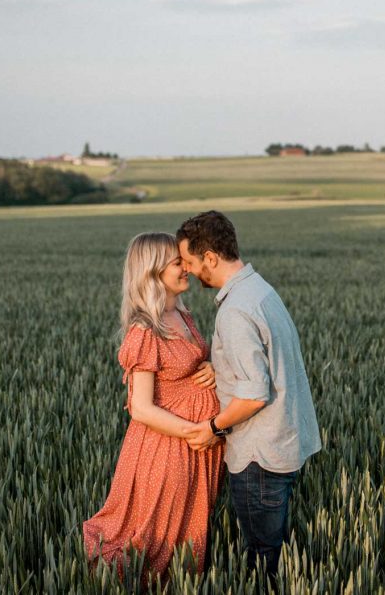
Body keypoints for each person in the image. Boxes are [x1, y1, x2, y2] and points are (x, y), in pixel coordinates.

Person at [176, 211, 322, 579]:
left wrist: (213, 426)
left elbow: (255, 394)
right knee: (271, 548)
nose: (189, 271)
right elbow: (266, 363)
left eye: (191, 262)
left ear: (210, 257)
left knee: (262, 559)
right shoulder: (259, 290)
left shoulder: (235, 311)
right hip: (282, 442)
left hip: (259, 454)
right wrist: (222, 368)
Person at [82, 232, 224, 581]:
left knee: (186, 532)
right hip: (167, 449)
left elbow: (190, 369)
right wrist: (198, 431)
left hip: (197, 447)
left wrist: (216, 367)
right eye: (177, 263)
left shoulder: (181, 315)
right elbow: (141, 407)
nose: (186, 268)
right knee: (157, 537)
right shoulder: (145, 330)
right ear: (153, 271)